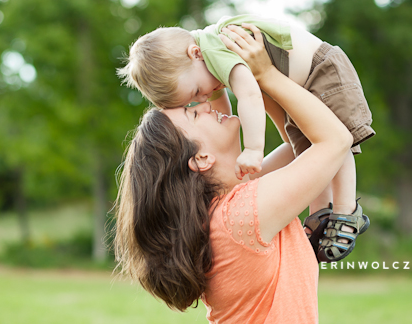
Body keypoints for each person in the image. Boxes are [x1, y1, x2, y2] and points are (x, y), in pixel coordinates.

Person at [114, 25, 354, 322]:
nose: (204, 103)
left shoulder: (230, 209)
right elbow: (334, 141)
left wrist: (245, 75)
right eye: (192, 111)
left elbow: (302, 147)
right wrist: (266, 75)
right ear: (201, 158)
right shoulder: (240, 217)